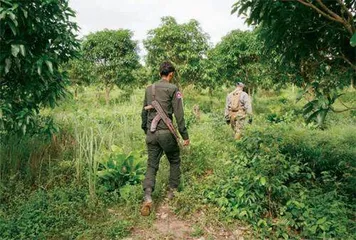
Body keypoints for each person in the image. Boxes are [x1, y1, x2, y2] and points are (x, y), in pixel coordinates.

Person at [140, 61, 190, 216]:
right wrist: (185, 136)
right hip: (166, 133)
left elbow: (143, 113)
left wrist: (146, 129)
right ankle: (172, 191)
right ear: (171, 74)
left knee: (151, 164)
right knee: (174, 160)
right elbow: (179, 115)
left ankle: (148, 195)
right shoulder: (173, 89)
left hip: (151, 132)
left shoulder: (149, 89)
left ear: (159, 73)